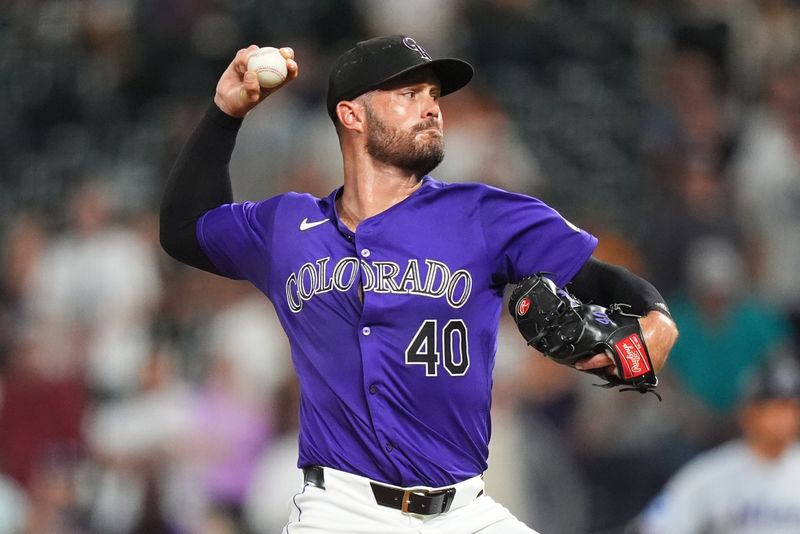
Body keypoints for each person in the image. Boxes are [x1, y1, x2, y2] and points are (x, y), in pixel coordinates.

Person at [160, 35, 678, 533]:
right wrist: (225, 114)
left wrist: (657, 320)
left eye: (434, 95)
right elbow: (185, 231)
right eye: (409, 94)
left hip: (465, 510)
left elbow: (595, 276)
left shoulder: (484, 213)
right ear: (351, 114)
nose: (431, 107)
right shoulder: (287, 228)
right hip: (341, 512)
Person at [634, 354, 800, 534]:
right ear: (749, 413)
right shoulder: (711, 473)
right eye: (778, 408)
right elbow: (655, 527)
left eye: (793, 408)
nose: (788, 418)